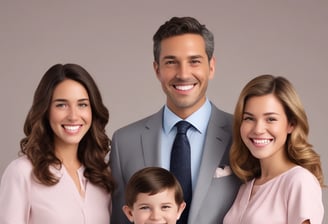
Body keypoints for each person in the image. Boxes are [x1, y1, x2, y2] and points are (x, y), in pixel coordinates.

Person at [110, 16, 241, 224]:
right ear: (157, 69)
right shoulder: (124, 143)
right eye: (171, 62)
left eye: (194, 61)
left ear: (211, 66)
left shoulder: (242, 135)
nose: (183, 74)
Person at [0, 63, 115, 224]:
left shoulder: (101, 176)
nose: (73, 116)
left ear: (92, 110)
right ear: (46, 110)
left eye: (82, 104)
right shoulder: (22, 172)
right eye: (61, 105)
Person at [223, 74, 325, 224]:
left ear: (291, 124)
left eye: (271, 119)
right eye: (249, 118)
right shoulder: (246, 187)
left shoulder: (299, 181)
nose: (258, 129)